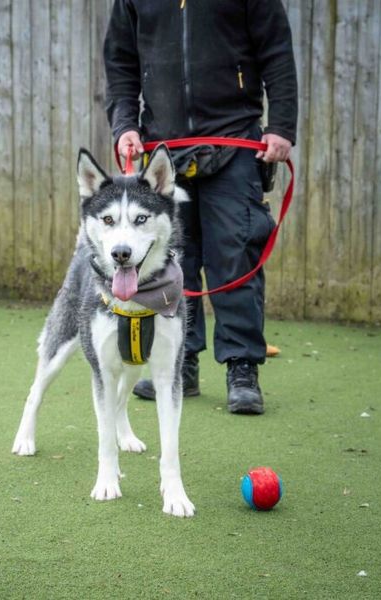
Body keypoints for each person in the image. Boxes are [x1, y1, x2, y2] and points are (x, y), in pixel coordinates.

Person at [103, 0, 298, 415]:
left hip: (234, 139)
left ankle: (242, 367)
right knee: (172, 260)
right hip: (163, 149)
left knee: (236, 250)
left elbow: (277, 50)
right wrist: (125, 125)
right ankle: (179, 364)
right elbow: (121, 61)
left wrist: (281, 125)